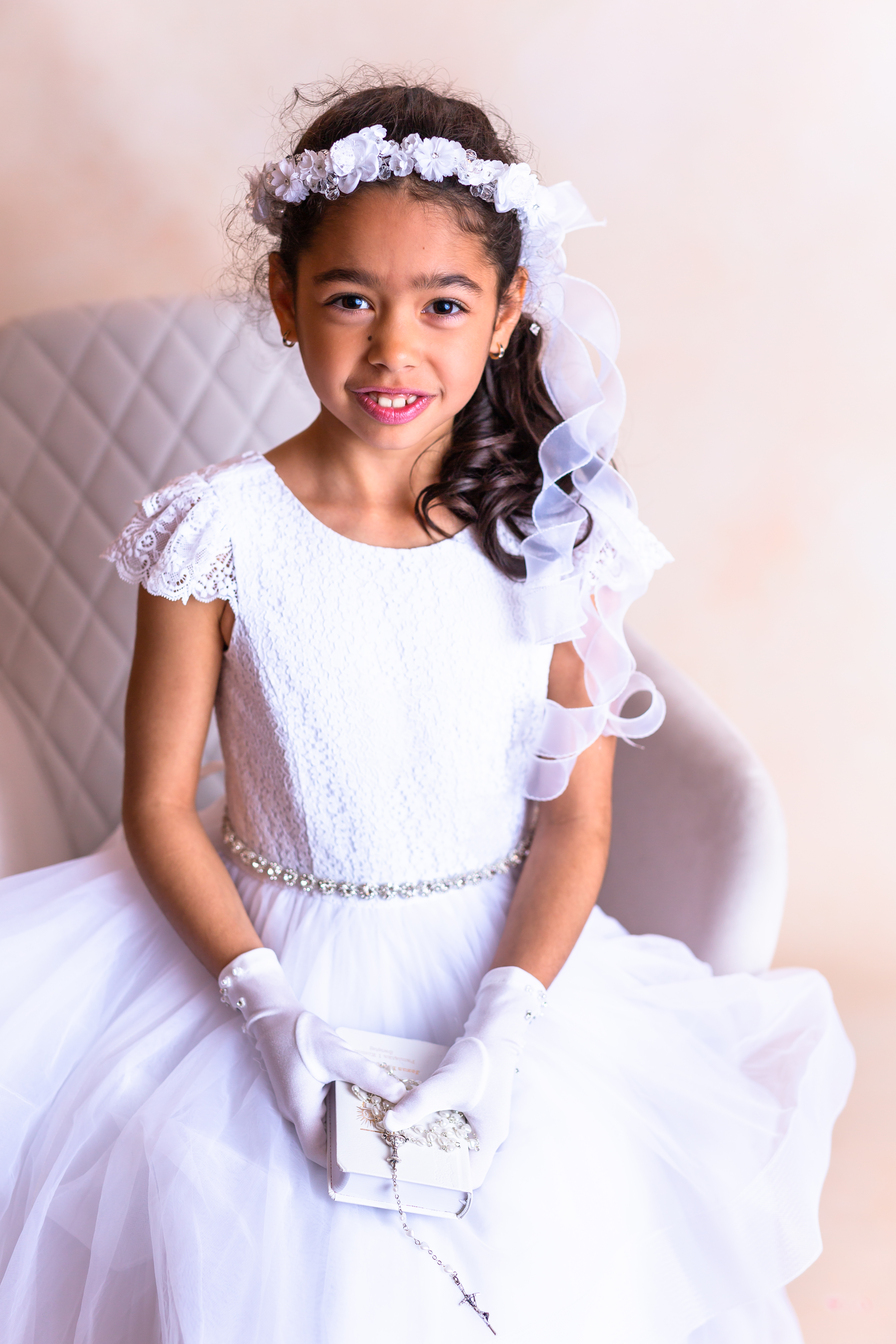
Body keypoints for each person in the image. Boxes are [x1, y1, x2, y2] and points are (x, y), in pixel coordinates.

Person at [0, 77, 853, 1343]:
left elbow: (575, 822)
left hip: (497, 964)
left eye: (443, 304)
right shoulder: (214, 532)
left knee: (546, 1239)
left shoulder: (553, 538)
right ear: (284, 298)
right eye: (350, 299)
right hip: (260, 956)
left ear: (507, 313)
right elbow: (159, 807)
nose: (394, 349)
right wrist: (269, 1015)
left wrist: (504, 1029)